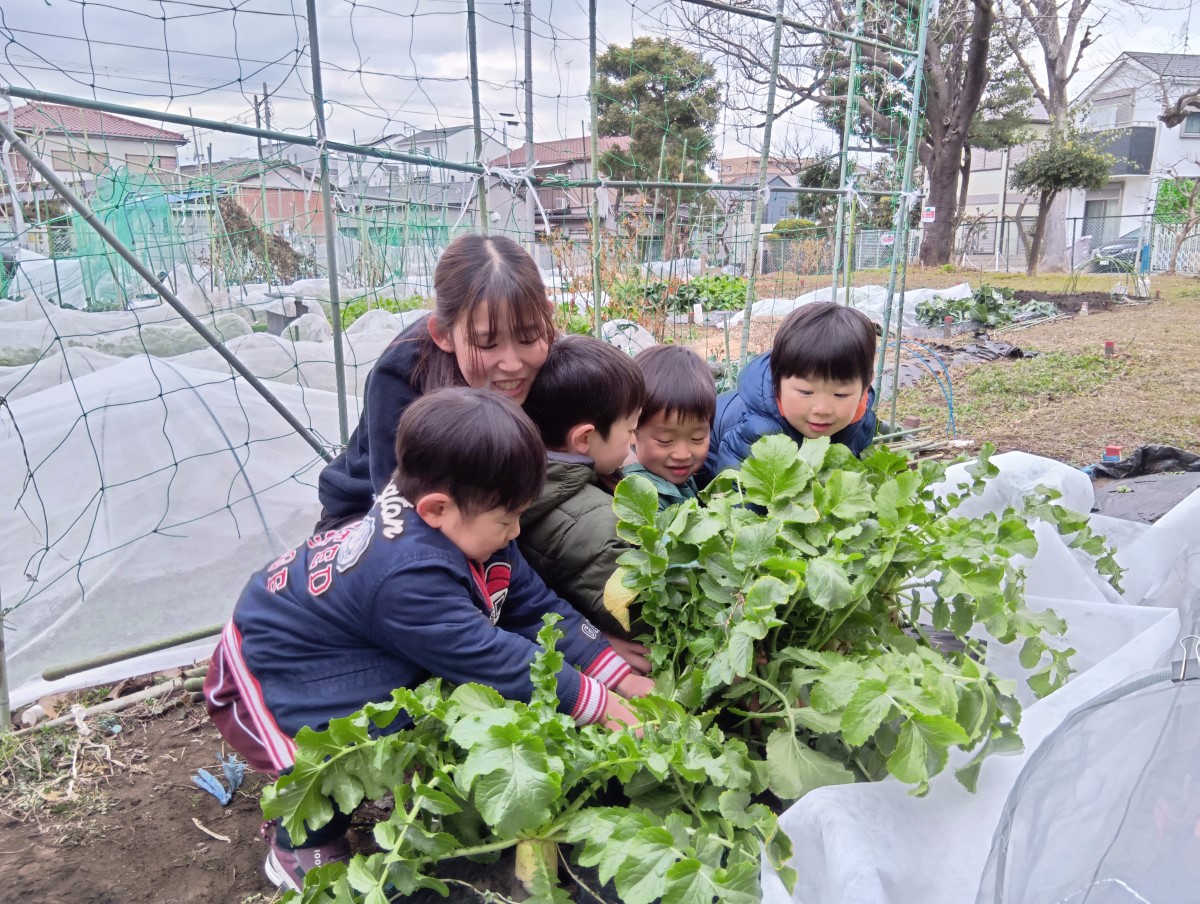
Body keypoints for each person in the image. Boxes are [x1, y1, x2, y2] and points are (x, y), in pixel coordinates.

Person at [204, 388, 652, 893]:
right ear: (437, 509)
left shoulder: (464, 520)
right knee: (326, 750)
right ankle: (296, 843)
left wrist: (609, 667)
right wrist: (597, 704)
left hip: (335, 634)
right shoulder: (407, 577)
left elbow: (532, 603)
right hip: (275, 664)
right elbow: (492, 658)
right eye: (507, 519)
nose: (516, 530)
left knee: (407, 696)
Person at [315, 233, 556, 528]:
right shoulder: (400, 377)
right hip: (370, 515)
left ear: (547, 316)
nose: (512, 363)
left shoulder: (554, 358)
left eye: (528, 337)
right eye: (487, 344)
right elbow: (397, 513)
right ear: (443, 335)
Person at [519, 334, 649, 650]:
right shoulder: (597, 525)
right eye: (630, 430)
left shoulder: (529, 477)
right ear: (584, 439)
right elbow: (647, 614)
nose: (632, 442)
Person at [703, 301, 877, 482]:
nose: (822, 409)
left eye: (841, 395)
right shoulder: (758, 430)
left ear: (866, 385)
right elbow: (736, 493)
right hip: (706, 464)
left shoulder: (862, 421)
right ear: (777, 380)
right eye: (806, 392)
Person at [624, 345, 717, 510]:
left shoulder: (676, 477)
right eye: (665, 440)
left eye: (697, 438)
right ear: (632, 430)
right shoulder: (640, 499)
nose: (683, 455)